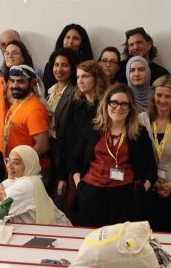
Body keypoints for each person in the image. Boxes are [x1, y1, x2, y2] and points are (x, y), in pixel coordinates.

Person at [72, 83, 157, 227]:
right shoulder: (92, 129)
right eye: (114, 103)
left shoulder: (139, 133)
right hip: (92, 193)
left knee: (122, 242)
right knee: (94, 242)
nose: (118, 108)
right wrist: (79, 185)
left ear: (130, 108)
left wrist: (142, 189)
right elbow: (75, 160)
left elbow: (151, 168)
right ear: (106, 104)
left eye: (124, 104)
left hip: (126, 196)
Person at [139, 76, 171, 233]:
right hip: (150, 187)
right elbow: (138, 157)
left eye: (167, 96)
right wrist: (150, 181)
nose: (162, 100)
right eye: (159, 95)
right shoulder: (141, 119)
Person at [57, 60, 108, 217]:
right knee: (72, 213)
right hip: (75, 169)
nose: (80, 80)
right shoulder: (76, 103)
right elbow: (65, 141)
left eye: (85, 76)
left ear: (97, 78)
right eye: (78, 77)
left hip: (99, 169)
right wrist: (62, 176)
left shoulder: (107, 105)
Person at [0, 145, 71, 226]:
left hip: (59, 234)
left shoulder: (26, 185)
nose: (9, 166)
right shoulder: (14, 180)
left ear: (28, 165)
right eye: (8, 161)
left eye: (16, 163)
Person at [5, 65, 50, 181]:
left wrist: (20, 164)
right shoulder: (19, 102)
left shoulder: (34, 109)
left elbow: (43, 146)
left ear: (32, 84)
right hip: (19, 171)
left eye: (21, 82)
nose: (14, 85)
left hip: (31, 173)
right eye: (12, 81)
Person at [46, 48, 78, 196]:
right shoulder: (51, 90)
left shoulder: (75, 93)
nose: (59, 69)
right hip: (49, 151)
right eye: (56, 65)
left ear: (73, 68)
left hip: (62, 153)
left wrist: (63, 175)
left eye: (64, 65)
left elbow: (71, 137)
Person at [43, 24, 93, 91]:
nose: (70, 42)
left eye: (75, 38)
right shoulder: (50, 66)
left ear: (82, 43)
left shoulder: (89, 68)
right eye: (67, 37)